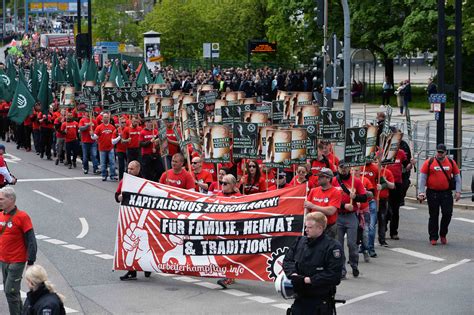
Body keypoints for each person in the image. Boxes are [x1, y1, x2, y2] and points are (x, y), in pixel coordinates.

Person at [283, 212, 343, 315]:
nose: (306, 230)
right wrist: (293, 274)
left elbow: (334, 275)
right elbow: (287, 261)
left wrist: (309, 280)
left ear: (320, 228)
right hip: (300, 298)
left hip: (320, 300)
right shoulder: (300, 241)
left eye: (309, 227)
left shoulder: (332, 247)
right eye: (306, 227)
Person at [0, 187, 37, 315]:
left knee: (10, 292)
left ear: (11, 199)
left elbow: (31, 240)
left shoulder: (22, 217)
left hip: (17, 261)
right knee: (10, 291)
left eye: (1, 199)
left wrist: (31, 262)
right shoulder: (1, 215)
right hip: (3, 260)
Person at [115, 161, 152, 280]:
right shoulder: (124, 181)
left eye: (132, 169)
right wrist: (120, 197)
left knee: (143, 244)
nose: (129, 171)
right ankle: (131, 271)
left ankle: (147, 267)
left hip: (142, 217)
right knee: (129, 245)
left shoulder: (144, 183)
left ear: (138, 169)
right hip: (127, 217)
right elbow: (116, 196)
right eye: (128, 168)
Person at [418, 144, 461, 245]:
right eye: (438, 152)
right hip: (432, 193)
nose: (439, 154)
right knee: (433, 215)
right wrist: (421, 192)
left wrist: (458, 191)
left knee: (447, 214)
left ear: (445, 153)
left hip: (446, 193)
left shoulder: (451, 162)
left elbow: (457, 177)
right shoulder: (429, 162)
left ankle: (443, 234)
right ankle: (433, 237)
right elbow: (423, 178)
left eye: (442, 152)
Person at [332, 162, 367, 278]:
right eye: (341, 167)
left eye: (345, 167)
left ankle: (354, 265)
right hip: (338, 215)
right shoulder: (333, 181)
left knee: (352, 244)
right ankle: (342, 269)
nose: (343, 170)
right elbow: (330, 198)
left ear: (349, 168)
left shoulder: (356, 181)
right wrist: (343, 206)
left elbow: (364, 197)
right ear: (338, 168)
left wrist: (355, 197)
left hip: (351, 216)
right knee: (339, 244)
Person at [215, 174, 241, 288]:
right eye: (222, 183)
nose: (222, 185)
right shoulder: (218, 195)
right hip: (220, 228)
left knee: (231, 253)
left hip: (233, 229)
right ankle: (229, 275)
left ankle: (229, 278)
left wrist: (238, 199)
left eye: (225, 183)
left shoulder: (238, 196)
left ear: (233, 185)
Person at [304, 168, 341, 239]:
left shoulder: (336, 192)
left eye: (321, 177)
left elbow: (331, 211)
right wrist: (306, 220)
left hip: (328, 228)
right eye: (318, 176)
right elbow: (307, 207)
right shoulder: (313, 190)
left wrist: (313, 206)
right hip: (314, 227)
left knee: (328, 248)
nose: (318, 178)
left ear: (328, 179)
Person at [92, 113, 117, 181]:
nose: (106, 118)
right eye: (105, 117)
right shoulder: (99, 127)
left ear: (109, 118)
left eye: (107, 117)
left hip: (110, 148)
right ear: (102, 119)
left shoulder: (112, 127)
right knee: (103, 163)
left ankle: (112, 175)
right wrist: (92, 135)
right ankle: (104, 175)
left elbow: (115, 136)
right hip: (102, 148)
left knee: (112, 162)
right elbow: (95, 137)